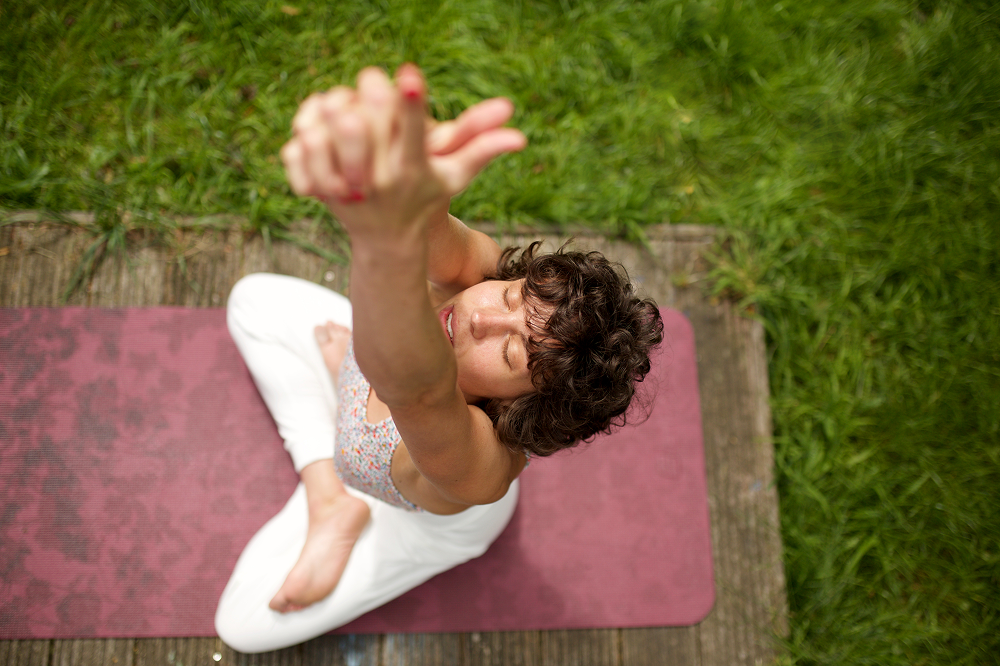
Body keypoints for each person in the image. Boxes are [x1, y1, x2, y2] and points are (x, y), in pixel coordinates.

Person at [214, 64, 663, 653]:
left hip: (412, 521)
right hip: (377, 368)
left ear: (517, 405)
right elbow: (430, 230)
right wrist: (403, 186)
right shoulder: (479, 280)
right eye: (509, 297)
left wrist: (379, 242)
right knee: (254, 301)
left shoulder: (476, 464)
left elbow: (418, 388)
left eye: (506, 353)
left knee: (241, 627)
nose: (479, 317)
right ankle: (329, 496)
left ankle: (343, 494)